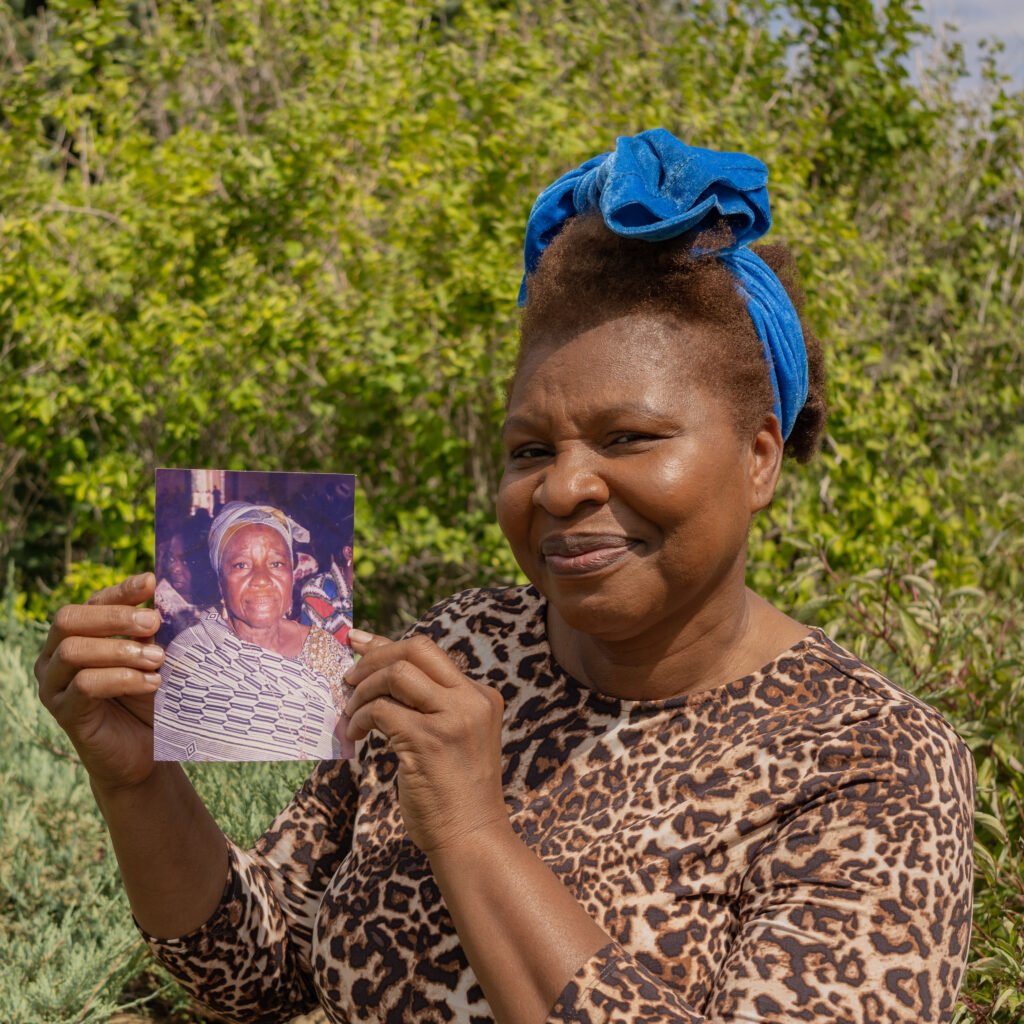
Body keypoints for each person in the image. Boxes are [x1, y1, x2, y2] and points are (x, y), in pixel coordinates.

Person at [34, 130, 974, 1023]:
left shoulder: (870, 759)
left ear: (760, 456)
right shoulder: (464, 648)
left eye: (628, 438)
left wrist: (474, 834)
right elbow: (257, 973)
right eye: (530, 450)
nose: (563, 488)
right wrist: (137, 781)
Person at [154, 501, 354, 761]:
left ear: (292, 575)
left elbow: (355, 744)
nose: (261, 579)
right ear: (220, 581)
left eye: (276, 564)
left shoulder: (322, 650)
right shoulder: (191, 655)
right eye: (241, 565)